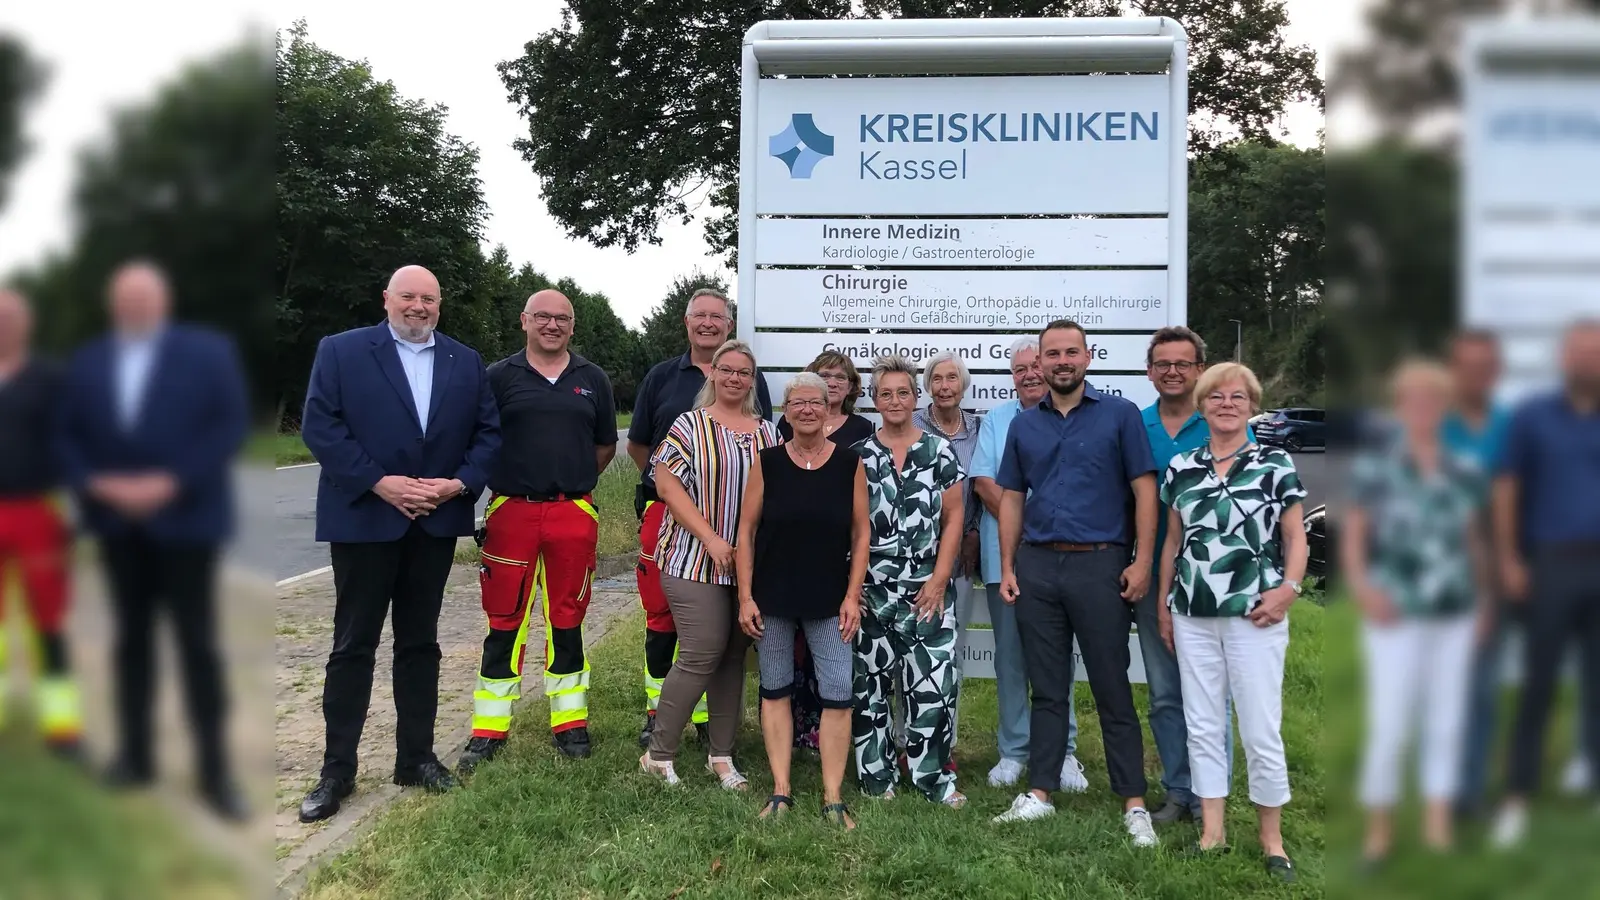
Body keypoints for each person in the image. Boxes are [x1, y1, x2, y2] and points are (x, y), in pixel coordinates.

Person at [297, 265, 501, 823]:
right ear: (386, 298)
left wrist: (457, 484)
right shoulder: (341, 351)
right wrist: (378, 482)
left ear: (440, 305)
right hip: (365, 518)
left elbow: (488, 434)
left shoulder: (465, 361)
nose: (418, 306)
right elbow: (322, 426)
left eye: (428, 299)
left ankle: (416, 758)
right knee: (352, 646)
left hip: (432, 523)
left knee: (420, 645)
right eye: (408, 296)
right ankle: (336, 770)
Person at [56, 261, 250, 819]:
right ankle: (135, 758)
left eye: (146, 299)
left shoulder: (208, 353)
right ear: (114, 305)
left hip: (187, 524)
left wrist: (170, 481)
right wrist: (99, 483)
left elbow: (228, 424)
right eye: (127, 300)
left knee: (198, 647)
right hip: (118, 527)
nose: (137, 308)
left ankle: (215, 775)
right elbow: (66, 436)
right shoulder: (89, 360)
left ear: (163, 303)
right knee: (131, 644)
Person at [991, 320, 1157, 849]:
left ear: (1087, 357)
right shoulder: (1024, 426)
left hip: (1100, 565)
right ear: (1038, 364)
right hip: (1039, 566)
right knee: (1048, 688)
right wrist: (1010, 565)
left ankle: (1134, 803)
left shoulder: (1120, 415)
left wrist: (1143, 560)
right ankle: (1039, 793)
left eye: (1071, 352)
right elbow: (1012, 497)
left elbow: (1144, 490)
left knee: (1111, 686)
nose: (1061, 361)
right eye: (1051, 354)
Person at [1155, 361, 1308, 881]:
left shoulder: (1274, 462)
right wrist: (1163, 605)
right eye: (1216, 396)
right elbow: (1173, 544)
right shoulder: (1182, 466)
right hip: (1192, 612)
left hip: (1256, 614)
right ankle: (1212, 832)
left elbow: (1295, 538)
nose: (1226, 404)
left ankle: (1272, 838)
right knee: (1202, 724)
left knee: (1261, 728)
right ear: (1201, 404)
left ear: (1252, 405)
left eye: (1237, 397)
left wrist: (1288, 590)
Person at [457, 290, 617, 772]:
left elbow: (605, 446)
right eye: (542, 317)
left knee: (567, 619)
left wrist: (569, 481)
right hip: (513, 511)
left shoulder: (592, 379)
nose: (552, 325)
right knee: (504, 619)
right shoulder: (498, 377)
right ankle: (489, 729)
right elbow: (478, 441)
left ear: (573, 326)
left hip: (572, 511)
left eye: (562, 318)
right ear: (524, 321)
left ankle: (570, 724)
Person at [1345, 359, 1492, 867]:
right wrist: (1363, 590)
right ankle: (1379, 834)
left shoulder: (1466, 470)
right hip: (1394, 612)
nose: (1423, 409)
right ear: (1400, 406)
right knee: (1390, 724)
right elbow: (1356, 538)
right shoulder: (1375, 468)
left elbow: (1475, 543)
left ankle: (1436, 829)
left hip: (1455, 611)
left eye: (1433, 400)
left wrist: (1486, 604)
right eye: (1413, 400)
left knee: (1446, 721)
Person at [628, 288, 773, 749]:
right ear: (715, 375)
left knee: (733, 655)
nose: (734, 378)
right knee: (701, 650)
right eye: (726, 370)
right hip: (694, 556)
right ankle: (661, 749)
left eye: (743, 373)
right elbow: (666, 483)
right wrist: (711, 537)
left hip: (746, 561)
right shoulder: (689, 423)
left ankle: (723, 754)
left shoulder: (767, 432)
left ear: (753, 380)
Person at [736, 373, 869, 828]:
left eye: (816, 402)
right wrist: (745, 595)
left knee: (837, 694)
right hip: (772, 597)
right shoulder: (767, 462)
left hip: (830, 597)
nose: (808, 410)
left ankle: (832, 796)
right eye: (798, 403)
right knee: (774, 689)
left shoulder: (849, 464)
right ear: (786, 411)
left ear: (829, 406)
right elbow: (747, 532)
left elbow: (861, 533)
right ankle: (781, 789)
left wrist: (853, 595)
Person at [1488, 318, 1600, 849]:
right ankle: (1517, 797)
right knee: (1539, 685)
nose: (1588, 362)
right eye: (1580, 353)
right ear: (1565, 359)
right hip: (1551, 563)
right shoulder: (1533, 417)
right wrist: (1510, 558)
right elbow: (1507, 488)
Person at [852, 355, 968, 808]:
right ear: (874, 400)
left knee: (933, 687)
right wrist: (854, 585)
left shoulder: (939, 451)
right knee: (871, 688)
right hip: (873, 589)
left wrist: (941, 578)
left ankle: (933, 778)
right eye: (886, 393)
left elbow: (955, 515)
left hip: (928, 590)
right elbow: (851, 527)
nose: (895, 400)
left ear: (914, 398)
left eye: (903, 392)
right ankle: (877, 779)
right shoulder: (859, 456)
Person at [970, 338, 1085, 791]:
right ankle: (1014, 750)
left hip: (1062, 558)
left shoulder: (1077, 418)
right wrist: (1030, 523)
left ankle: (1066, 752)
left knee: (1058, 659)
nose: (1030, 375)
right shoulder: (998, 421)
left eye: (1035, 366)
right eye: (1020, 370)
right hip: (1007, 559)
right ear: (1013, 377)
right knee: (1012, 659)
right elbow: (983, 482)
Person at [1139, 327, 1242, 823]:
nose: (1172, 371)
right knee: (1163, 695)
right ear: (1149, 371)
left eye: (1182, 363)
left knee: (1209, 696)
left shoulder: (1222, 423)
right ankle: (1179, 790)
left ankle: (1210, 798)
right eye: (1163, 363)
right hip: (1153, 581)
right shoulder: (1136, 426)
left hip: (1214, 585)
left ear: (1200, 369)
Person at [776, 352, 874, 752]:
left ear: (851, 386)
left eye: (840, 377)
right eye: (824, 376)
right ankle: (799, 732)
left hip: (839, 560)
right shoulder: (788, 425)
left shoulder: (863, 428)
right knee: (793, 653)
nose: (832, 383)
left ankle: (832, 735)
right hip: (789, 558)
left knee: (833, 652)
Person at [0, 288, 81, 758]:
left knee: (48, 624)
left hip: (36, 511)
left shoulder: (50, 379)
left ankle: (61, 725)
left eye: (12, 317)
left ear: (26, 325)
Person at [1441, 329, 1516, 818]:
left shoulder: (1512, 426)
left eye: (1485, 365)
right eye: (1467, 365)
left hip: (1504, 563)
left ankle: (1474, 789)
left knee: (1485, 687)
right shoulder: (1435, 426)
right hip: (1441, 571)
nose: (1477, 375)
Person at [910, 351, 982, 757]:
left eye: (951, 378)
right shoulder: (914, 424)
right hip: (913, 556)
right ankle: (906, 741)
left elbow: (982, 485)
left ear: (963, 384)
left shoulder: (978, 429)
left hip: (960, 559)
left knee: (948, 653)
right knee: (909, 651)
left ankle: (944, 744)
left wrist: (971, 532)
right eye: (936, 379)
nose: (944, 387)